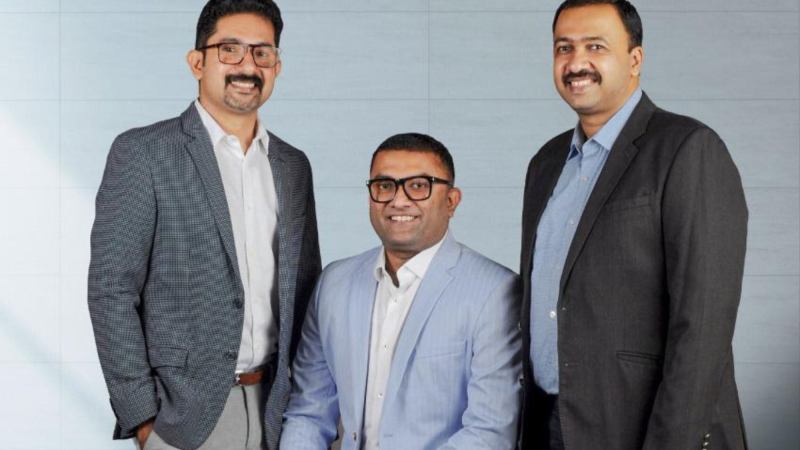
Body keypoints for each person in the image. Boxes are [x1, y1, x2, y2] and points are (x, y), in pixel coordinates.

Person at [87, 1, 320, 449]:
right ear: (197, 62)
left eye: (262, 53)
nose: (247, 66)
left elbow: (306, 290)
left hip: (279, 408)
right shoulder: (144, 153)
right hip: (183, 417)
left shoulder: (293, 166)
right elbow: (111, 290)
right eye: (229, 50)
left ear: (276, 66)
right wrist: (142, 418)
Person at [519, 1, 748, 449]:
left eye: (595, 46)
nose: (576, 62)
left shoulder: (688, 149)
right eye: (564, 48)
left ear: (635, 59)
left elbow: (703, 326)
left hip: (644, 430)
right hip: (550, 425)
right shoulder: (545, 164)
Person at [280, 133, 521, 450]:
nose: (399, 200)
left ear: (451, 201)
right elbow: (308, 412)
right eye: (384, 186)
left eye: (419, 186)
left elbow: (489, 431)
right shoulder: (334, 284)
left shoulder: (495, 291)